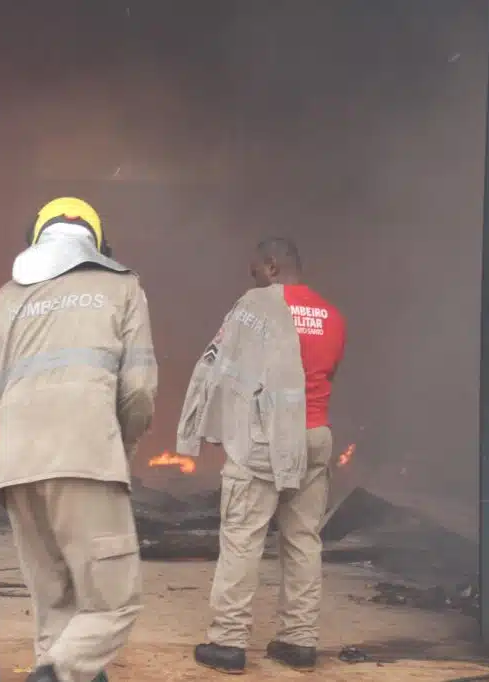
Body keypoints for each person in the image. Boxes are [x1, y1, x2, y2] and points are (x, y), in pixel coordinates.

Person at [0, 197, 158, 682]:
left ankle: (57, 668)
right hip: (86, 456)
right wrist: (115, 449)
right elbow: (140, 391)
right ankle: (52, 677)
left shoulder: (5, 297)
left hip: (17, 468)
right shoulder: (123, 287)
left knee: (54, 601)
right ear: (98, 241)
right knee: (114, 602)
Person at [176, 237, 346, 674]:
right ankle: (299, 641)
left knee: (242, 537)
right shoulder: (331, 315)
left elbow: (222, 369)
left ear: (271, 266)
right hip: (315, 435)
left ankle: (229, 642)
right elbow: (325, 375)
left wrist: (213, 426)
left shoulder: (253, 308)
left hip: (267, 439)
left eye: (254, 269)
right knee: (303, 539)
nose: (251, 278)